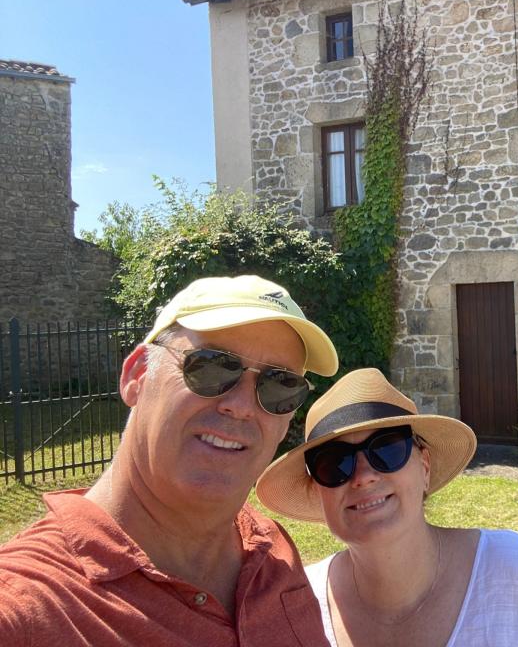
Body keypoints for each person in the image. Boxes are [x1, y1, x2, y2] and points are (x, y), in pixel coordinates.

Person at [0, 275, 338, 646]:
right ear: (137, 376)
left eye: (280, 386)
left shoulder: (272, 554)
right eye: (211, 367)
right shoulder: (27, 608)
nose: (241, 406)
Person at [256, 367, 518, 647]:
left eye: (387, 449)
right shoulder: (300, 608)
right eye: (334, 462)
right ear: (318, 490)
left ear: (423, 467)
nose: (363, 476)